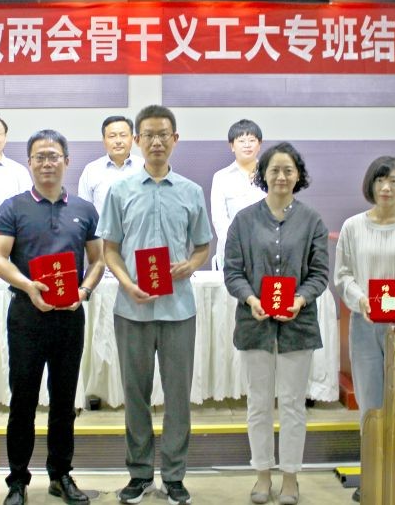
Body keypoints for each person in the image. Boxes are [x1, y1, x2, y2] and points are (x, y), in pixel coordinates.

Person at [99, 105, 212, 505]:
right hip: (133, 309)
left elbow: (203, 246)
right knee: (136, 394)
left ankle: (176, 475)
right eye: (148, 134)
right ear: (136, 140)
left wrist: (191, 265)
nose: (157, 141)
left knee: (178, 395)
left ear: (175, 139)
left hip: (179, 309)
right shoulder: (120, 190)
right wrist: (127, 283)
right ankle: (140, 473)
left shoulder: (191, 191)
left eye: (164, 134)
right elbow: (109, 249)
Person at [0, 130, 105, 505]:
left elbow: (98, 259)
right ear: (29, 163)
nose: (47, 163)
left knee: (63, 400)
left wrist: (84, 292)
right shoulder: (12, 207)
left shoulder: (85, 210)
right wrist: (28, 287)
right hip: (27, 314)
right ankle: (18, 481)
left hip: (70, 317)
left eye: (54, 156)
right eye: (39, 156)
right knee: (22, 400)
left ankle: (61, 475)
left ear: (66, 161)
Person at [224, 143, 328, 505]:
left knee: (293, 404)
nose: (281, 177)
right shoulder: (244, 220)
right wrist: (252, 300)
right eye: (274, 170)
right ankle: (262, 475)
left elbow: (319, 274)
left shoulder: (312, 220)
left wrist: (299, 299)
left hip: (298, 327)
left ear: (298, 175)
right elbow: (233, 272)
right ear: (262, 175)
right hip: (256, 325)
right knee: (257, 403)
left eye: (288, 170)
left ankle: (290, 478)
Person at [333, 155, 395, 502]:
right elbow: (343, 275)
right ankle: (372, 476)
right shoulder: (353, 226)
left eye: (393, 180)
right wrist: (360, 299)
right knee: (371, 404)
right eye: (380, 180)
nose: (386, 187)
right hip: (364, 326)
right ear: (370, 185)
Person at [210, 119, 265, 269]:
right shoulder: (221, 177)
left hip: (268, 252)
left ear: (259, 144)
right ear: (232, 146)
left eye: (252, 140)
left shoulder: (272, 174)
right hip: (233, 253)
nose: (247, 145)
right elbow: (219, 219)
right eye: (241, 141)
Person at [78, 115, 141, 217]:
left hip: (138, 232)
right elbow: (83, 211)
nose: (118, 141)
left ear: (133, 138)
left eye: (123, 135)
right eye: (112, 136)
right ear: (104, 140)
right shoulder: (91, 170)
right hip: (101, 232)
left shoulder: (145, 167)